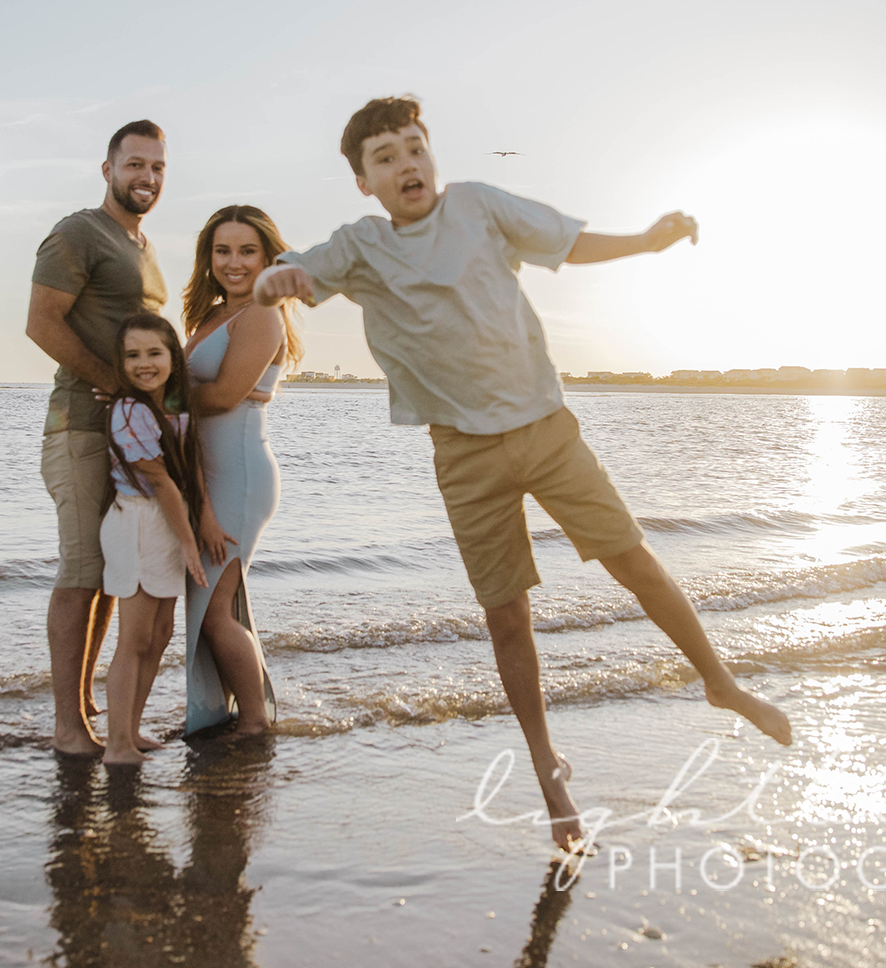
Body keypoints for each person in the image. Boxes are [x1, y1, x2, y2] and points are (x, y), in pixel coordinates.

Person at [254, 95, 793, 850]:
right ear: (364, 182)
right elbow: (302, 271)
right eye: (386, 158)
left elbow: (567, 242)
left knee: (631, 558)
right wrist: (278, 280)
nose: (407, 163)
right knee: (507, 615)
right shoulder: (363, 243)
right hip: (464, 457)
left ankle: (719, 681)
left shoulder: (478, 206)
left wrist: (646, 241)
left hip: (545, 430)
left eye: (415, 147)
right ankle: (548, 771)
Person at [27, 120, 169, 756]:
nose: (147, 177)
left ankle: (87, 707)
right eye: (135, 164)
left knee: (114, 572)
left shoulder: (142, 244)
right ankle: (66, 728)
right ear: (108, 169)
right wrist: (113, 381)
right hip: (80, 427)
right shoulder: (80, 231)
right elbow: (41, 322)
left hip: (125, 436)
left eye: (158, 168)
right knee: (82, 571)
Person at [179, 206, 301, 735]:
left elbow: (226, 394)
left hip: (241, 475)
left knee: (213, 611)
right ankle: (226, 715)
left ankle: (255, 722)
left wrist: (156, 395)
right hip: (212, 473)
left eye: (247, 251)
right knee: (215, 604)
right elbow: (213, 393)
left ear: (267, 258)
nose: (234, 262)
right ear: (208, 258)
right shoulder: (211, 316)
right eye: (222, 250)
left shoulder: (260, 313)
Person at [99, 312, 223, 766]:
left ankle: (131, 730)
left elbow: (188, 468)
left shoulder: (173, 405)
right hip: (139, 522)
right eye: (132, 355)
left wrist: (198, 523)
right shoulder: (128, 411)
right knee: (133, 638)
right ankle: (116, 745)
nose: (144, 363)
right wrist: (189, 542)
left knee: (161, 633)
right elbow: (162, 483)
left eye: (154, 353)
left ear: (173, 355)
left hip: (169, 524)